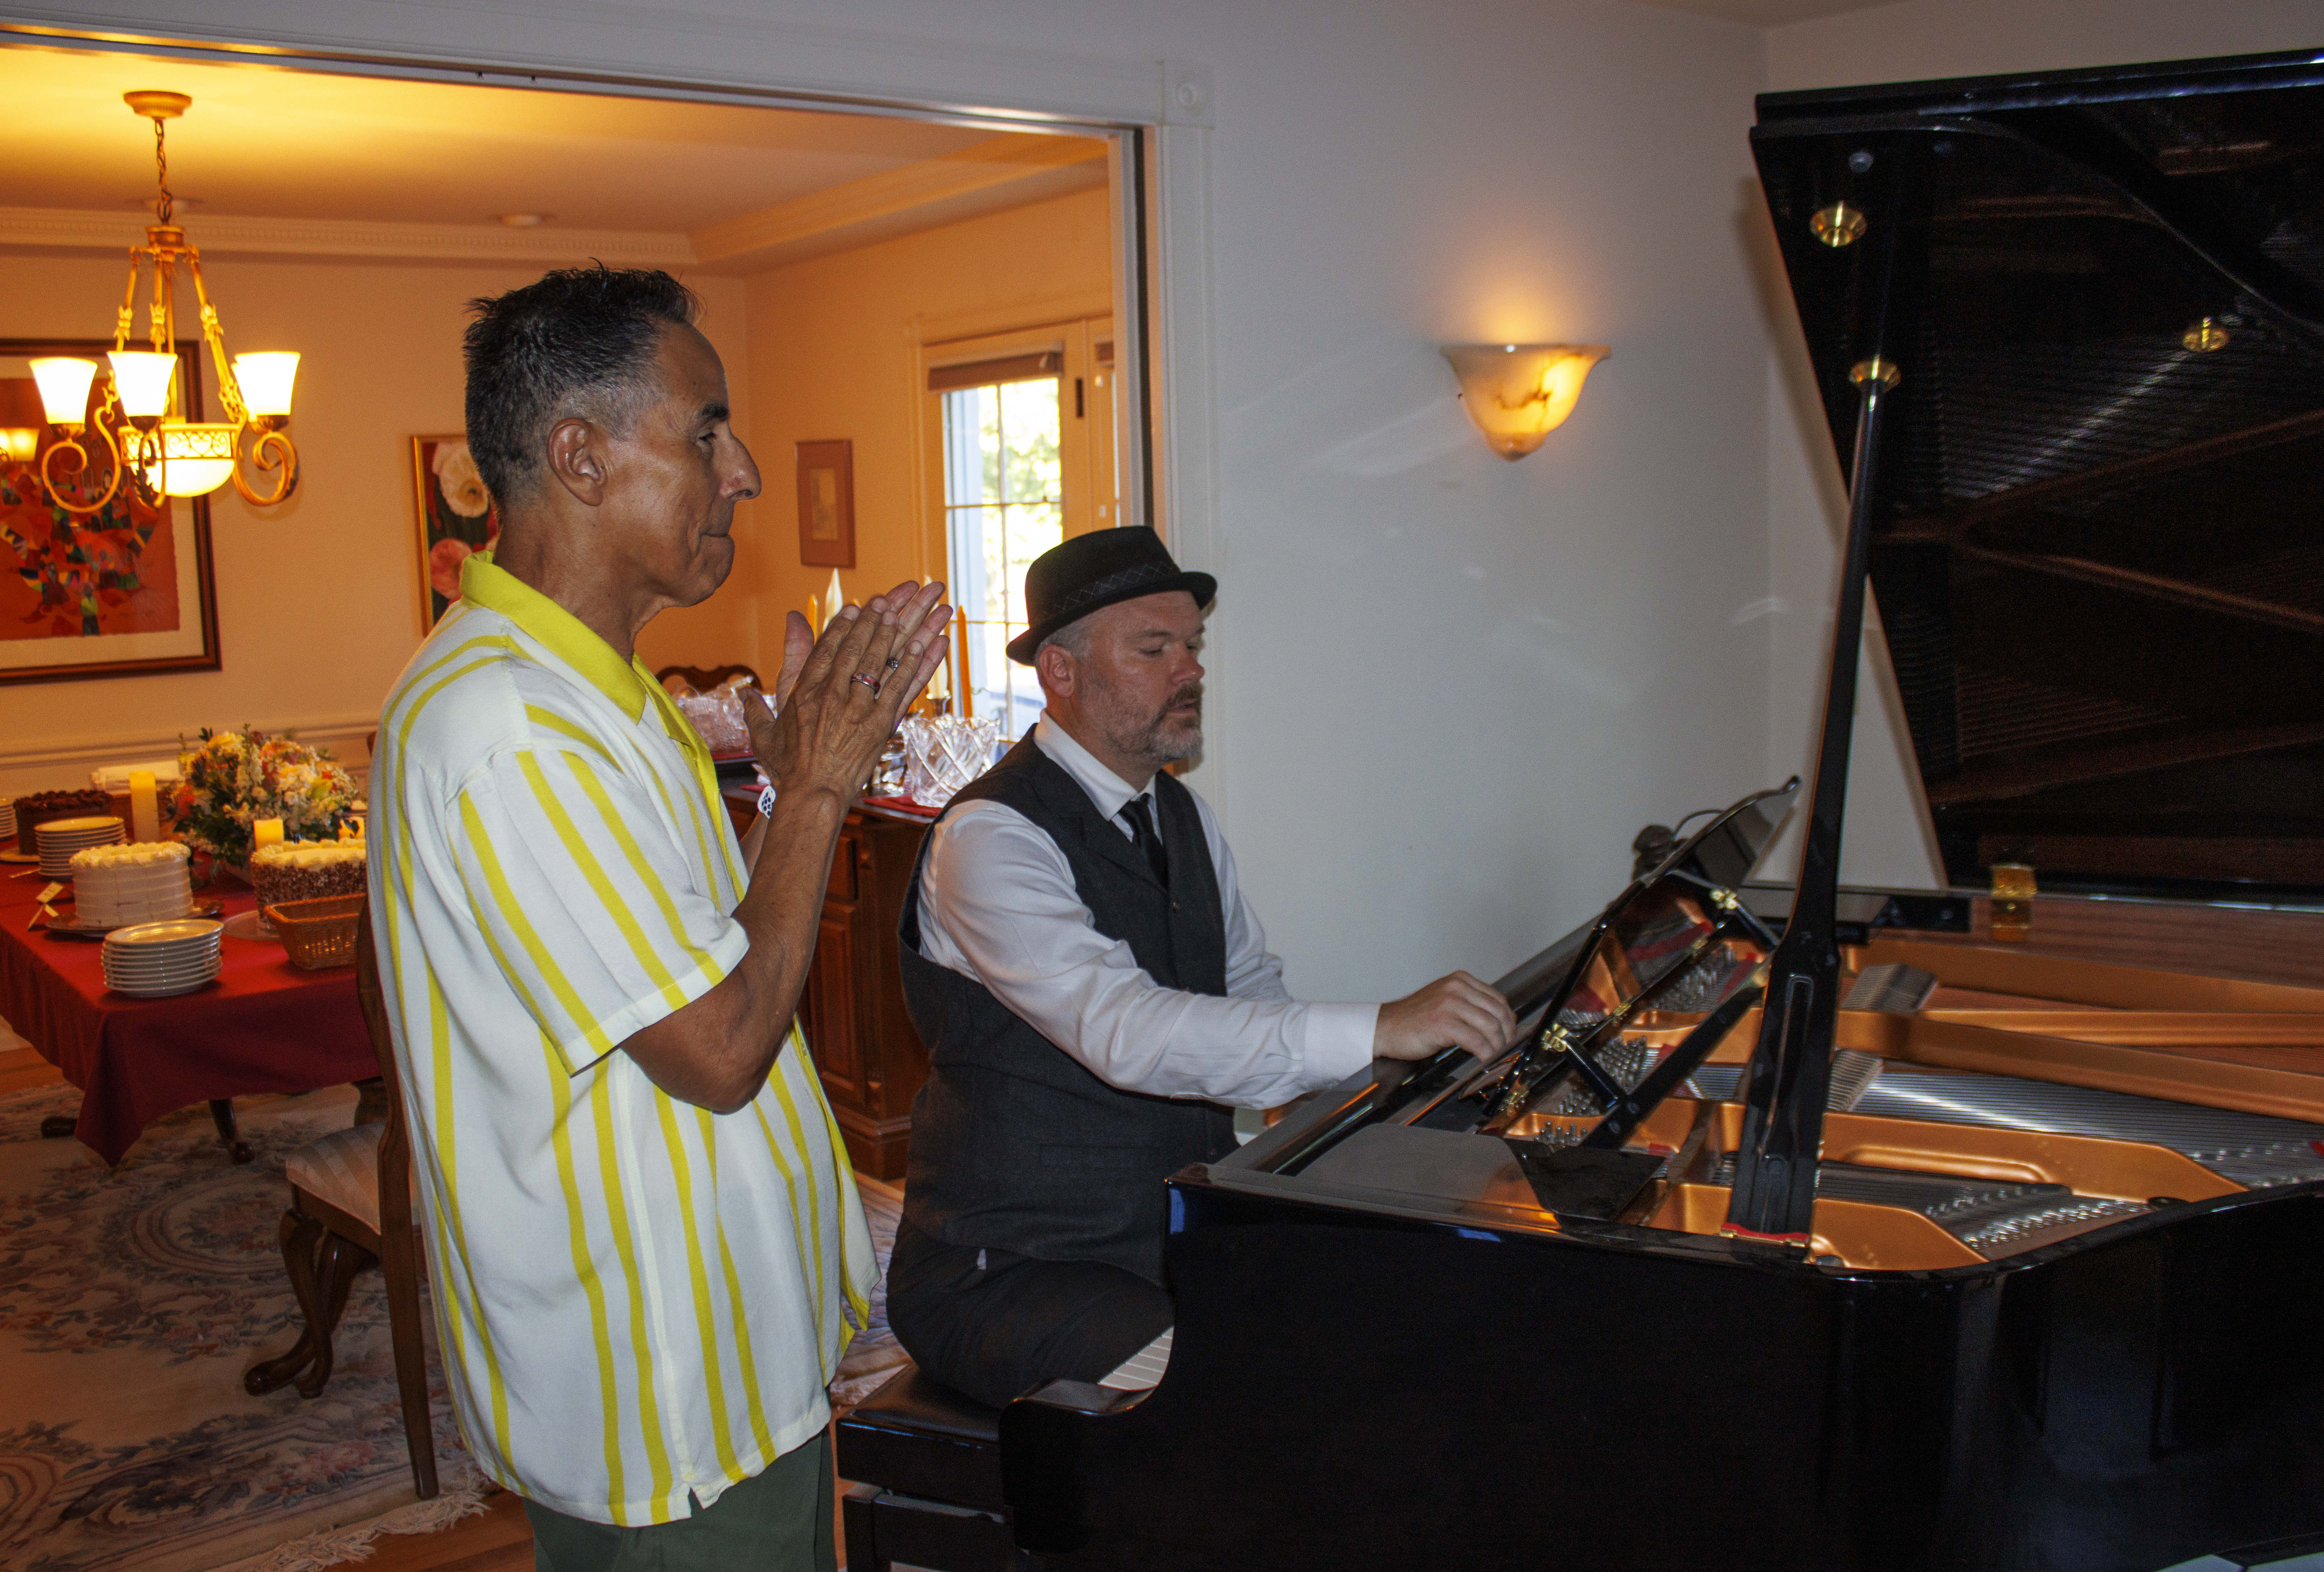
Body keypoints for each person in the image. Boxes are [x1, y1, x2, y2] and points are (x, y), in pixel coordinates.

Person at [368, 265, 950, 1570]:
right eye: (705, 430)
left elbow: (696, 934)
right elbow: (720, 1045)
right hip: (661, 1387)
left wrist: (793, 779)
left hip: (729, 1357)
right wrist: (814, 785)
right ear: (578, 456)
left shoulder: (598, 691)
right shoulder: (508, 726)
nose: (740, 470)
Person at [886, 527, 1518, 1409]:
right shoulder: (989, 838)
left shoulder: (1182, 818)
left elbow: (1250, 989)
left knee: (1396, 1333)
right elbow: (1124, 1030)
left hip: (1174, 1245)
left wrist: (1382, 1121)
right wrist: (1379, 1026)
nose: (1190, 669)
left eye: (1194, 645)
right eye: (1154, 648)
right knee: (1263, 1405)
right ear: (1060, 672)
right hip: (1011, 1273)